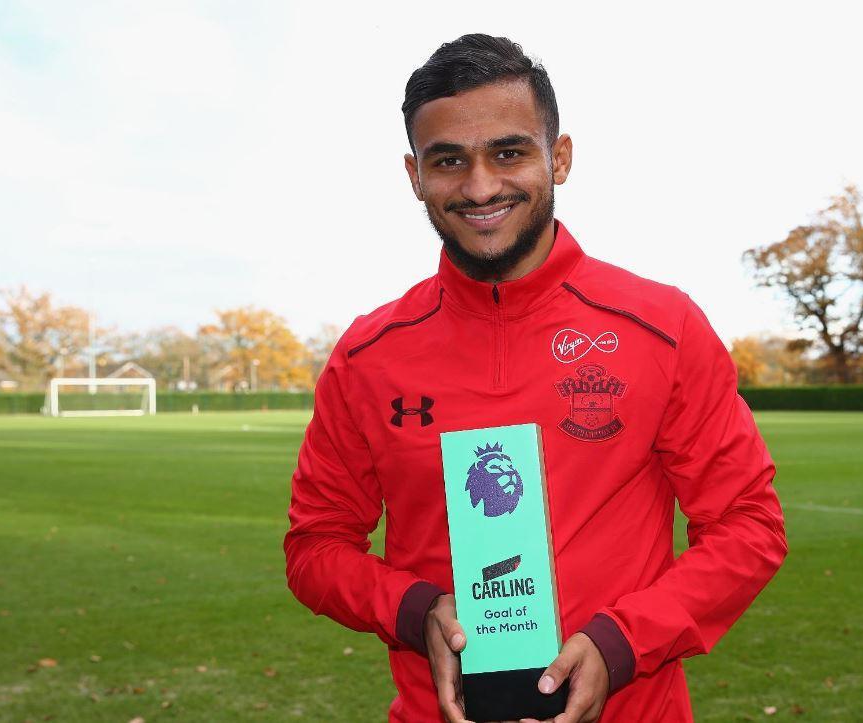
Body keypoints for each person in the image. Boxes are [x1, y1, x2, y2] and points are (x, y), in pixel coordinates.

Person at [283, 33, 788, 723]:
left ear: (560, 157)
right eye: (449, 160)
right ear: (414, 175)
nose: (480, 187)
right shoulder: (369, 354)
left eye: (509, 152)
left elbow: (748, 526)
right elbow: (315, 546)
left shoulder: (662, 326)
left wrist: (622, 643)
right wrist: (413, 610)